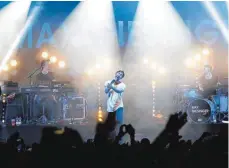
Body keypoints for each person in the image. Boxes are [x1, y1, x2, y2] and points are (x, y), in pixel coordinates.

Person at [104, 70, 126, 136]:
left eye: (121, 74)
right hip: (110, 106)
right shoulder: (108, 82)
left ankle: (120, 138)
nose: (119, 74)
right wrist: (111, 83)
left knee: (119, 122)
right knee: (111, 123)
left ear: (121, 77)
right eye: (118, 73)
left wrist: (112, 87)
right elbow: (106, 91)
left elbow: (118, 91)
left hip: (119, 106)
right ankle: (111, 137)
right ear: (115, 73)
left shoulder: (123, 85)